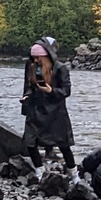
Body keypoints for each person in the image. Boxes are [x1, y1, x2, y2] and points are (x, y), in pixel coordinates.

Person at [20, 38, 74, 171]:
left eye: (38, 57)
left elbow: (66, 91)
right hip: (35, 110)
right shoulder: (32, 67)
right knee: (30, 142)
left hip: (56, 112)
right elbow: (29, 87)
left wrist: (51, 91)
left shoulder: (60, 68)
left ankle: (74, 174)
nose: (36, 60)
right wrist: (27, 96)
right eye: (34, 57)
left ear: (46, 56)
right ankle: (39, 172)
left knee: (64, 145)